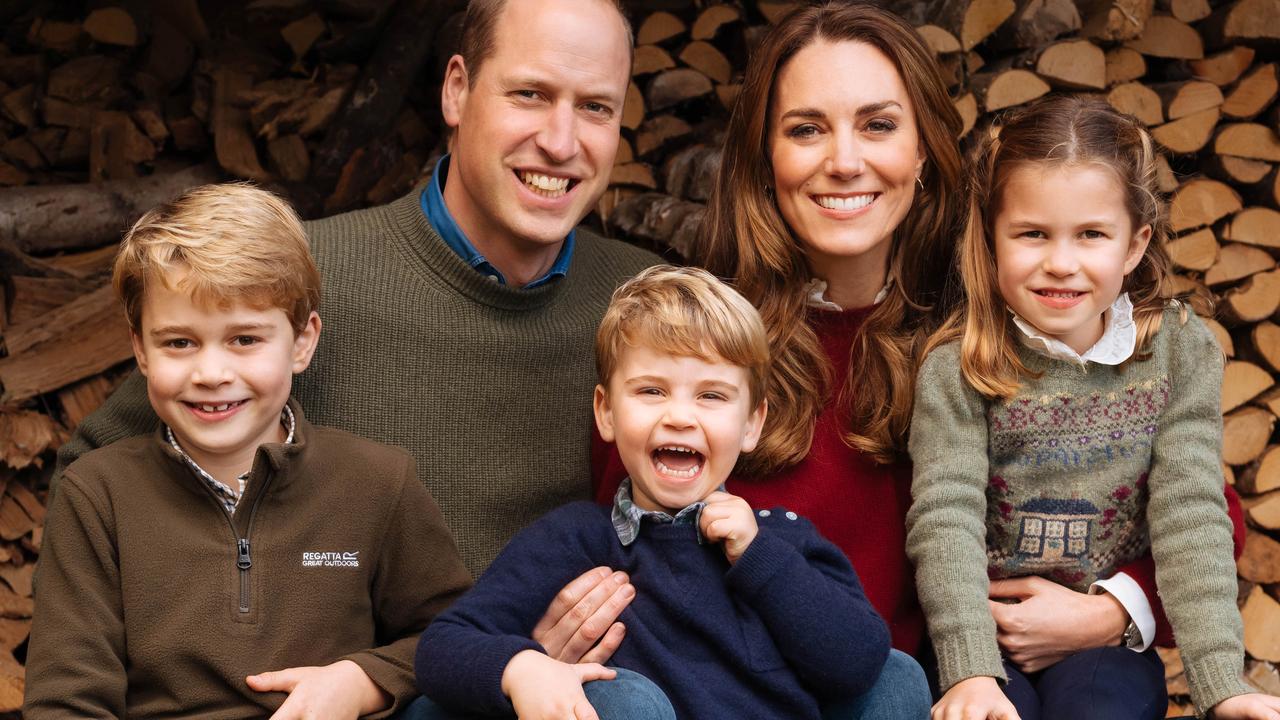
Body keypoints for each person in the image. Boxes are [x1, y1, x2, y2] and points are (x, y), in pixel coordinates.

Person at [583, 0, 1245, 684]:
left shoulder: (997, 326)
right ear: (764, 155)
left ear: (924, 147)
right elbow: (616, 533)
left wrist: (1112, 609)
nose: (845, 161)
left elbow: (1204, 511)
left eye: (878, 125)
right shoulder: (701, 337)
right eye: (806, 129)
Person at [53, 0, 656, 665]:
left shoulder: (648, 307)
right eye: (531, 94)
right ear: (457, 90)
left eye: (596, 107)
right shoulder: (305, 280)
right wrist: (221, 659)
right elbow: (98, 468)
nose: (562, 141)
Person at [24, 184, 473, 718]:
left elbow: (453, 635)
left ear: (302, 342)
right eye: (179, 342)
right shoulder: (97, 495)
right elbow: (66, 702)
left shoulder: (378, 483)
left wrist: (362, 680)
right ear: (140, 349)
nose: (212, 374)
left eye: (244, 340)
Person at [906, 95, 1280, 720]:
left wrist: (1222, 685)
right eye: (1031, 233)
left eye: (1091, 235)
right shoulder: (961, 364)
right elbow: (945, 517)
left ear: (1134, 246)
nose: (1061, 262)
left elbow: (1192, 514)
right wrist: (968, 668)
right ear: (992, 238)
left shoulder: (1178, 353)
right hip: (983, 632)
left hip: (1101, 645)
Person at [416, 265, 895, 720]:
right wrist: (523, 668)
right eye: (651, 391)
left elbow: (857, 665)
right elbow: (443, 648)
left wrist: (760, 557)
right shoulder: (577, 540)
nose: (680, 417)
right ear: (606, 412)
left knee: (897, 674)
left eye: (711, 395)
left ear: (752, 424)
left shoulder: (781, 543)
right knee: (621, 696)